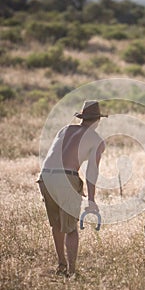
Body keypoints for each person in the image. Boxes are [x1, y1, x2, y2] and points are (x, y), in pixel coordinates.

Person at [37, 100, 107, 277]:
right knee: (71, 228)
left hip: (45, 175)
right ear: (98, 120)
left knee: (57, 224)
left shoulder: (65, 129)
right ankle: (73, 272)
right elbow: (92, 172)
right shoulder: (97, 140)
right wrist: (91, 200)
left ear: (82, 118)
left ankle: (61, 265)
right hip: (66, 176)